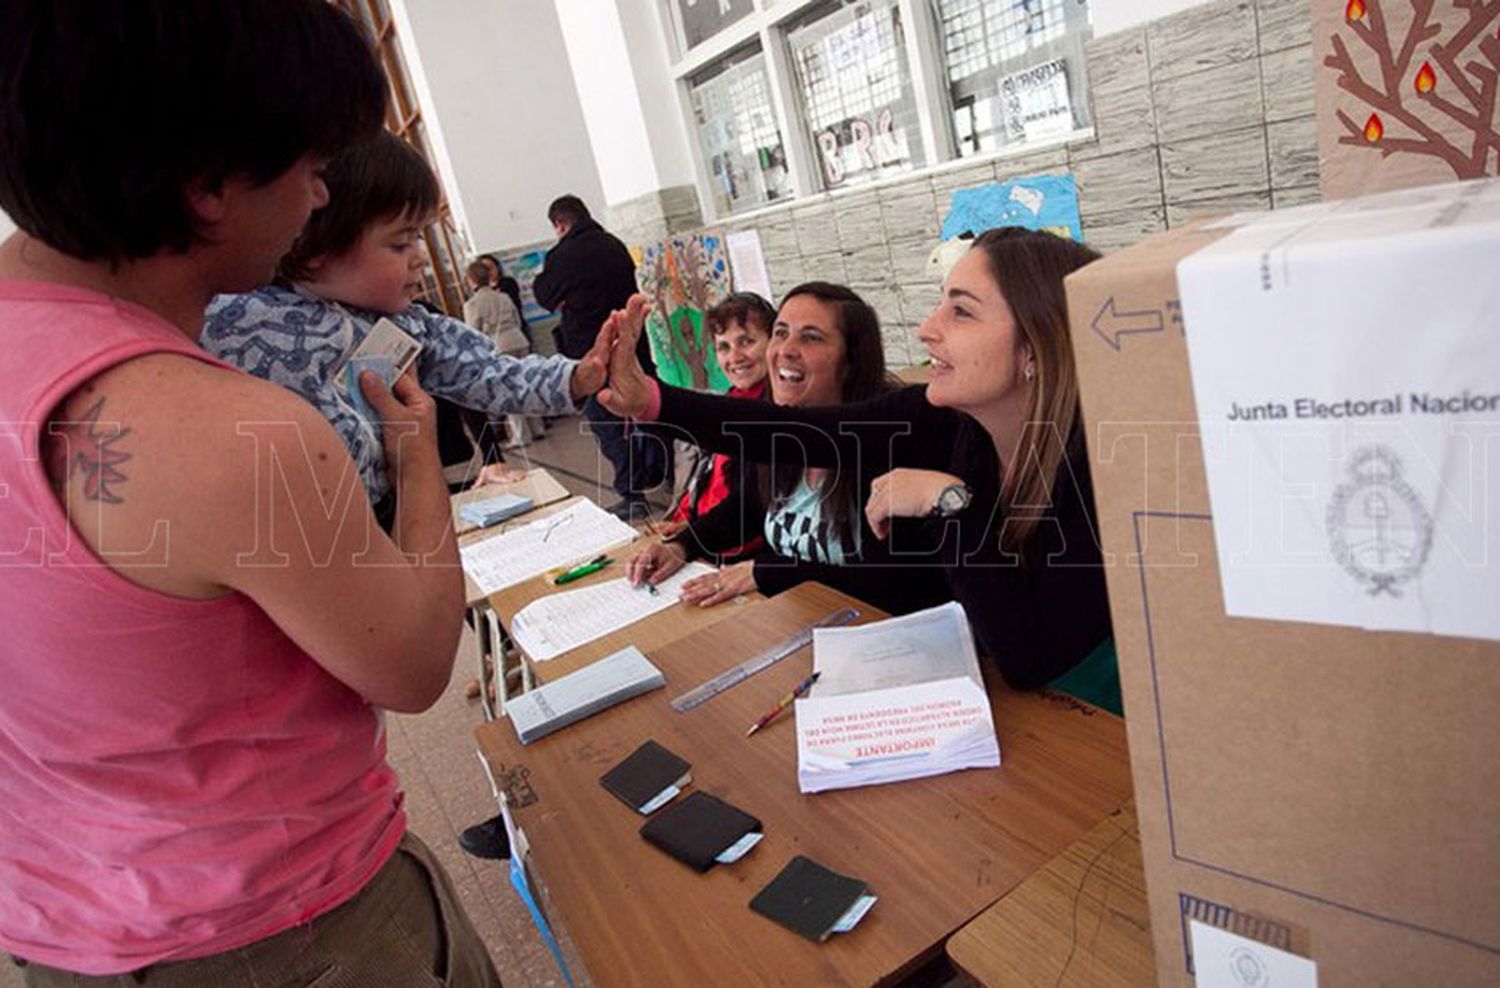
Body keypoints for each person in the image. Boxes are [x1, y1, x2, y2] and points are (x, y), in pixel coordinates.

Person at [0, 2, 502, 985]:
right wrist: (414, 453)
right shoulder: (233, 433)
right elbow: (407, 664)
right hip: (292, 934)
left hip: (58, 929)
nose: (319, 194)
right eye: (310, 164)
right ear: (206, 186)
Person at [598, 228, 1120, 713]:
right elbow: (789, 432)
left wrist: (949, 502)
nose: (927, 329)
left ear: (1034, 347)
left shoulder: (1096, 468)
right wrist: (651, 402)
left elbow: (1027, 660)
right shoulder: (945, 421)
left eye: (960, 312)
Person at [202, 133, 610, 530]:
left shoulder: (405, 321)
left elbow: (487, 371)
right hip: (293, 543)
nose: (419, 258)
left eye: (419, 237)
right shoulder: (233, 319)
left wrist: (578, 375)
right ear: (314, 244)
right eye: (400, 244)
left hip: (382, 526)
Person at [626, 282, 954, 618]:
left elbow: (905, 586)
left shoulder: (892, 438)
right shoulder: (779, 436)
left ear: (851, 360)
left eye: (811, 337)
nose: (786, 349)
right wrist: (683, 545)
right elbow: (751, 505)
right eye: (781, 333)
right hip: (795, 625)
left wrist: (768, 571)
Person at [532, 194, 668, 519]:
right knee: (650, 411)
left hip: (592, 356)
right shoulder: (613, 244)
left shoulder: (563, 255)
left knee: (608, 425)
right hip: (634, 347)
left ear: (560, 224)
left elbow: (544, 295)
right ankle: (664, 474)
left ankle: (632, 493)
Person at [663, 291, 774, 543]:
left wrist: (694, 537)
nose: (735, 357)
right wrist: (681, 520)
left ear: (774, 343)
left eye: (746, 341)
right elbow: (706, 478)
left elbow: (752, 507)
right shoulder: (727, 401)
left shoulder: (775, 411)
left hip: (735, 547)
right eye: (723, 347)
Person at [464, 258, 542, 450]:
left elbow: (474, 333)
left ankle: (521, 435)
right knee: (527, 383)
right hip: (518, 339)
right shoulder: (503, 296)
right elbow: (516, 318)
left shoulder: (472, 305)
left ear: (471, 280)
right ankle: (538, 427)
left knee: (507, 391)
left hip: (498, 345)